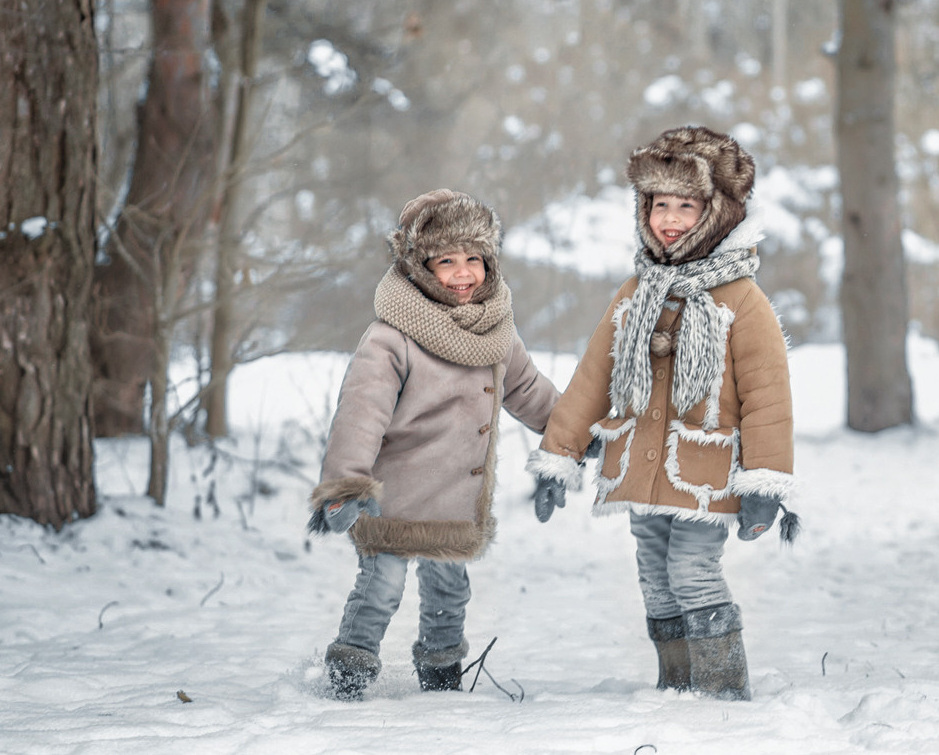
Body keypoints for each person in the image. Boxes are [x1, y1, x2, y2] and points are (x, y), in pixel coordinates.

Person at [528, 125, 796, 700]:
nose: (669, 219)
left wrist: (765, 481)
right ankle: (676, 684)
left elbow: (768, 398)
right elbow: (592, 378)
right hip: (638, 466)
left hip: (704, 474)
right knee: (654, 574)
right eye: (659, 205)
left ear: (717, 213)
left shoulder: (742, 301)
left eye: (686, 206)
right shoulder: (636, 292)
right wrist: (558, 456)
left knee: (692, 572)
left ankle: (721, 689)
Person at [309, 189, 560, 699]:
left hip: (452, 497)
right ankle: (349, 673)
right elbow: (361, 413)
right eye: (447, 261)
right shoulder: (391, 337)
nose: (463, 273)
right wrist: (345, 484)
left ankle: (442, 678)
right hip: (390, 497)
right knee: (381, 589)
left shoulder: (496, 333)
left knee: (449, 591)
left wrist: (571, 439)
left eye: (474, 259)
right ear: (420, 267)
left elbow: (530, 392)